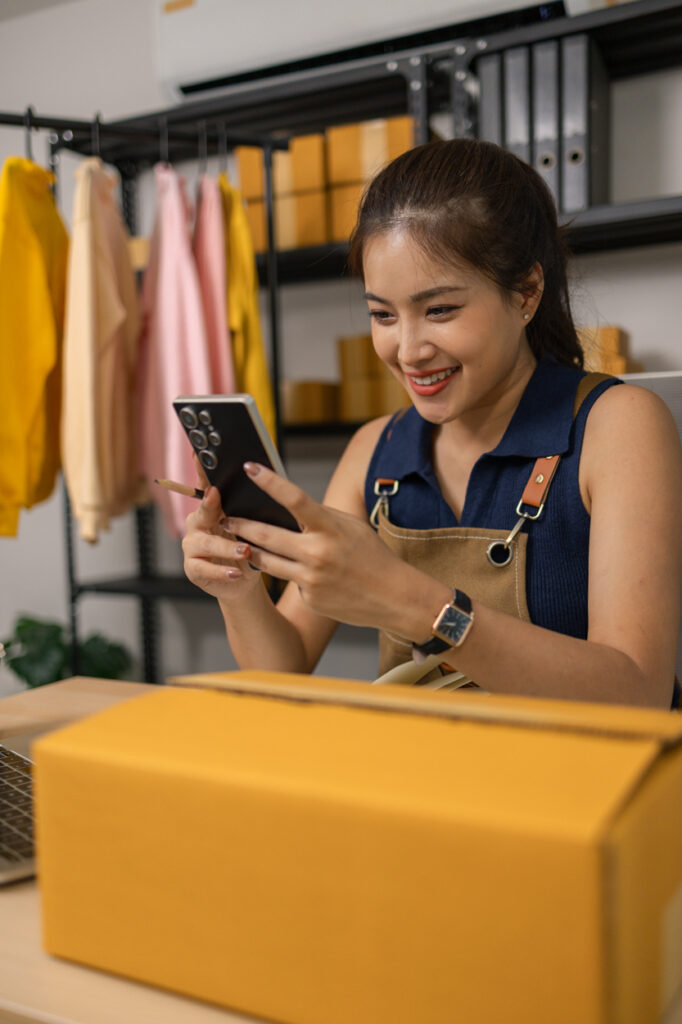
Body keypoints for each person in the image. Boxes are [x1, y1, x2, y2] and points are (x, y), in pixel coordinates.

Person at [182, 138, 681, 708]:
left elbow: (637, 695)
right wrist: (240, 589)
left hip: (582, 788)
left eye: (440, 310)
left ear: (526, 293)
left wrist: (414, 603)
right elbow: (285, 663)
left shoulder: (618, 427)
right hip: (425, 782)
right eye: (382, 315)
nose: (409, 350)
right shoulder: (376, 448)